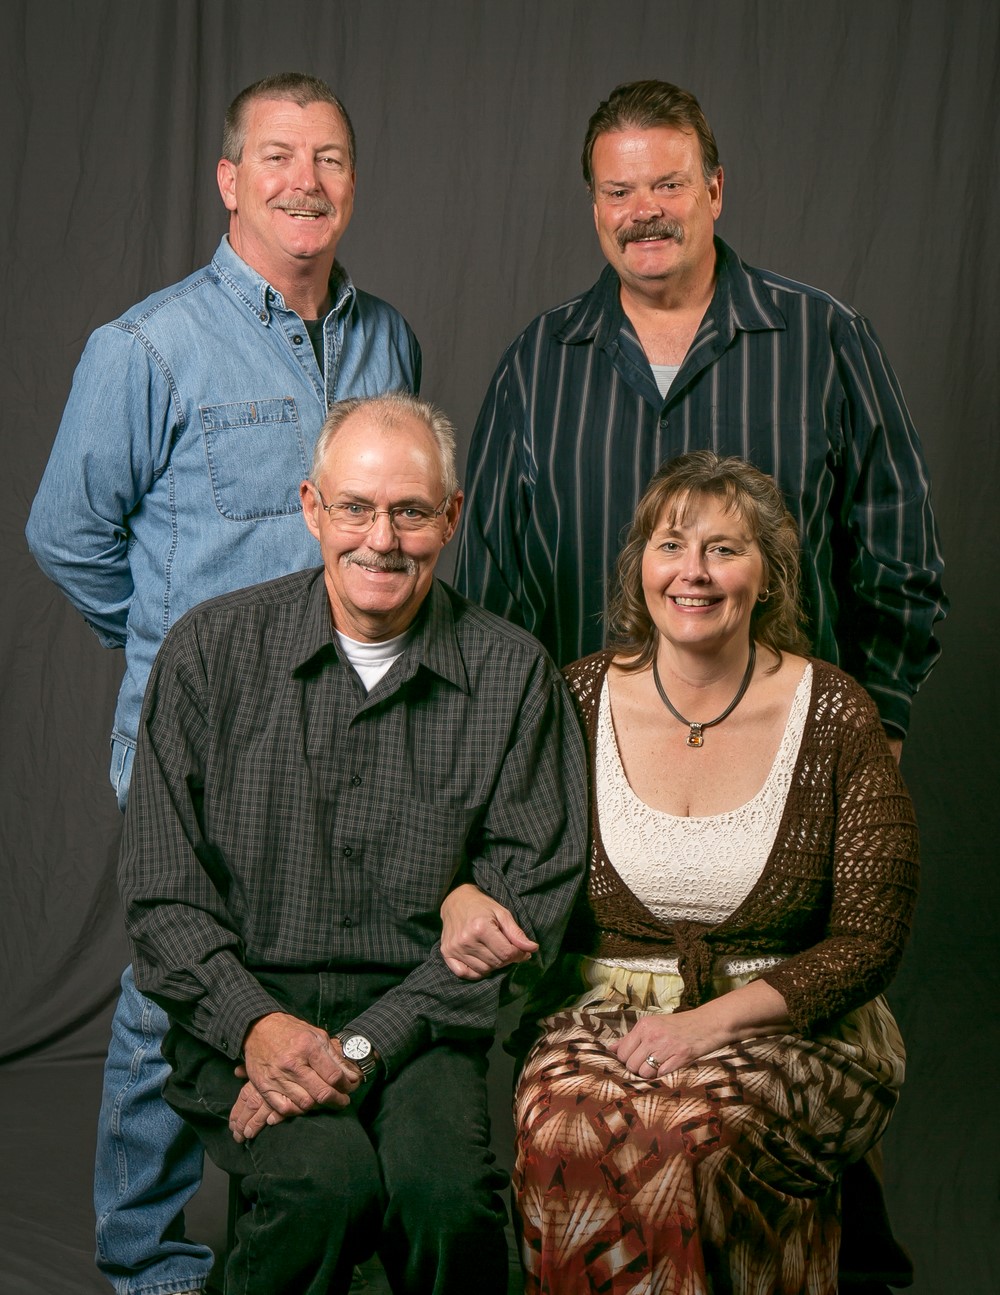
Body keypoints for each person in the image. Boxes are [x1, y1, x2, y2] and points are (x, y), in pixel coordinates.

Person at [26, 73, 420, 1295]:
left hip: (356, 722)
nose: (307, 180)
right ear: (231, 180)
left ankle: (306, 1217)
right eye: (280, 157)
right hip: (199, 742)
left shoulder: (385, 338)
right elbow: (67, 535)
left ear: (353, 181)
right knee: (170, 986)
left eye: (332, 159)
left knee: (333, 969)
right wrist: (171, 652)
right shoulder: (144, 346)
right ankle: (145, 1253)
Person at [118, 393, 587, 1295]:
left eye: (411, 511)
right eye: (356, 507)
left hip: (422, 1018)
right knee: (322, 1186)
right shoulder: (207, 654)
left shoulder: (513, 673)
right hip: (245, 1007)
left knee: (446, 1201)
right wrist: (254, 1027)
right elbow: (161, 898)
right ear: (311, 508)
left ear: (450, 519)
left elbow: (527, 903)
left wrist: (362, 1044)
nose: (382, 538)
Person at [494, 451, 917, 1294]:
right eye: (671, 545)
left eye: (725, 549)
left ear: (768, 576)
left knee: (686, 1134)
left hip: (792, 1024)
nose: (695, 571)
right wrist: (472, 892)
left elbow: (871, 937)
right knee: (559, 1134)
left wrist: (707, 1025)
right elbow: (504, 849)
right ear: (641, 569)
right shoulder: (575, 698)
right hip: (602, 1011)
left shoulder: (835, 712)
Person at [454, 78, 946, 755]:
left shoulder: (825, 339)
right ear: (595, 206)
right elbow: (487, 592)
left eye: (668, 185)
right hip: (580, 766)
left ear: (714, 190)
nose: (643, 212)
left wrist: (880, 724)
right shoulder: (536, 364)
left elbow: (901, 557)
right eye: (618, 192)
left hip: (791, 762)